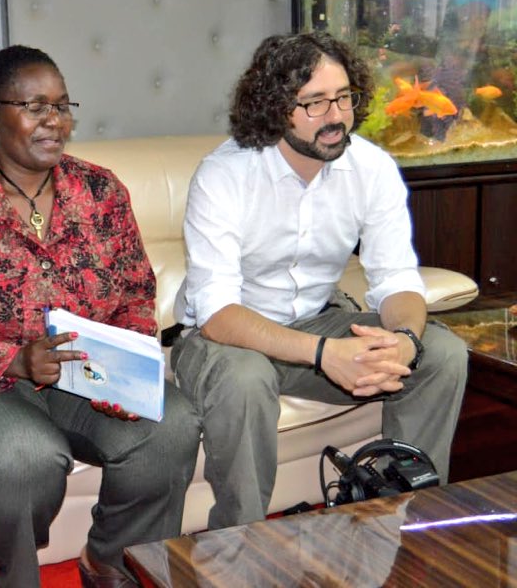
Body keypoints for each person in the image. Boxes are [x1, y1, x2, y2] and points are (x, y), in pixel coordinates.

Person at [0, 45, 201, 588]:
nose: (54, 121)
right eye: (34, 107)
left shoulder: (101, 191)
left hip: (86, 374)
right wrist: (14, 361)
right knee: (24, 456)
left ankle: (114, 564)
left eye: (61, 106)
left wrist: (123, 365)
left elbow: (135, 290)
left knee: (170, 424)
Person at [172, 32, 468, 530]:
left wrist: (405, 340)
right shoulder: (224, 175)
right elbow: (218, 314)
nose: (335, 116)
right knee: (246, 380)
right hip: (224, 340)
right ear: (274, 108)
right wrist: (325, 354)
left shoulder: (371, 168)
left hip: (317, 321)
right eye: (313, 103)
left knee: (442, 353)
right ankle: (240, 543)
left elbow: (396, 276)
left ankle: (399, 519)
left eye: (343, 97)